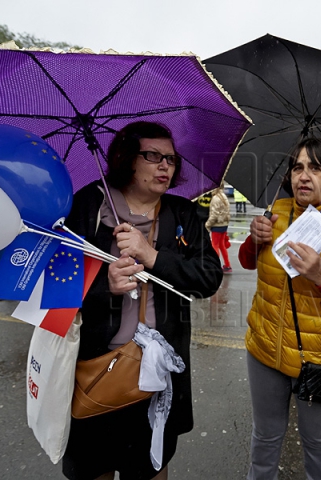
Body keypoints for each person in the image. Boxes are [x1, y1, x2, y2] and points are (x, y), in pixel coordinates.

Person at [62, 121, 223, 480]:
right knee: (93, 467)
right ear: (126, 159)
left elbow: (208, 279)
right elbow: (56, 282)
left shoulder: (184, 214)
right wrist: (105, 286)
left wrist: (151, 256)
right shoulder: (87, 207)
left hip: (156, 376)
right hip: (92, 371)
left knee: (149, 468)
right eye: (153, 156)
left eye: (170, 158)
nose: (165, 165)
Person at [239, 137, 321, 479]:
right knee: (265, 439)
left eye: (316, 167)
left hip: (319, 359)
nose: (304, 175)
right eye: (298, 167)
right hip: (265, 347)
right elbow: (248, 262)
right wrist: (254, 239)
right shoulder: (277, 211)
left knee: (317, 445)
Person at [206, 186, 233, 273]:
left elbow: (214, 215)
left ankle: (215, 265)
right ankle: (227, 265)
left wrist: (207, 225)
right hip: (224, 224)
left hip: (217, 225)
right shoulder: (223, 196)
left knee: (215, 246)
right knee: (222, 245)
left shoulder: (215, 198)